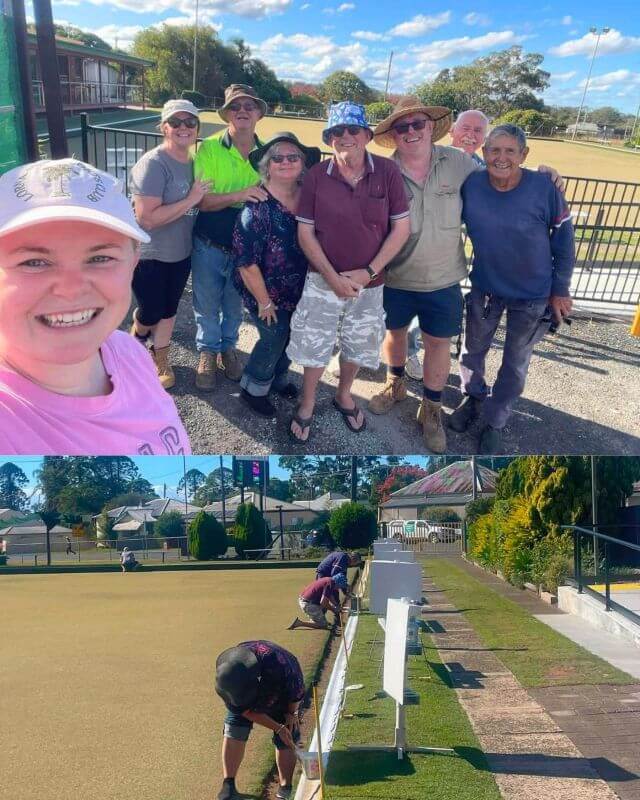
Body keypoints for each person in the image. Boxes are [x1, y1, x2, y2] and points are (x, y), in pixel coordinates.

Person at [368, 97, 564, 454]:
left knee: (439, 346)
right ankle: (394, 385)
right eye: (402, 127)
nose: (411, 132)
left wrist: (543, 172)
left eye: (418, 125)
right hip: (395, 276)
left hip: (444, 280)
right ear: (394, 135)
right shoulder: (382, 170)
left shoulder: (460, 163)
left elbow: (502, 169)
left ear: (431, 128)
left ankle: (431, 408)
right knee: (393, 335)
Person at [0, 158, 191, 455]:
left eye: (100, 258)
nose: (71, 289)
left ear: (133, 261)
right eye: (34, 262)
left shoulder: (128, 351)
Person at [287, 101, 410, 441]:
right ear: (329, 139)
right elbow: (305, 233)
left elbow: (400, 229)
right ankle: (308, 401)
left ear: (367, 135)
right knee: (315, 344)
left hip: (369, 283)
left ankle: (343, 394)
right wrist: (331, 277)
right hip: (321, 279)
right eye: (337, 131)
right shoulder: (315, 176)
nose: (345, 137)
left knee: (357, 345)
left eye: (353, 130)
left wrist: (367, 272)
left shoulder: (387, 172)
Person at [449, 124, 575, 453]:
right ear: (485, 153)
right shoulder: (472, 184)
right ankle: (472, 399)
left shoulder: (544, 187)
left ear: (524, 155)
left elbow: (564, 242)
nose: (501, 157)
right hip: (486, 287)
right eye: (494, 150)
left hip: (533, 294)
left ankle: (495, 419)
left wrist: (560, 290)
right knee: (472, 351)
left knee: (515, 363)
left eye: (510, 151)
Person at [233, 132, 320, 416]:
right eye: (277, 158)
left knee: (291, 335)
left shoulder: (309, 196)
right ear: (267, 166)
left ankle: (277, 379)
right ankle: (253, 387)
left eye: (293, 156)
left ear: (302, 163)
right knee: (274, 335)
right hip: (264, 290)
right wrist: (264, 301)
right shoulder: (257, 208)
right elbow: (246, 264)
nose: (285, 162)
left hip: (299, 288)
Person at [403, 109, 490, 382]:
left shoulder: (480, 170)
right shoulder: (428, 155)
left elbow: (512, 179)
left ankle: (412, 358)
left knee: (430, 320)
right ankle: (359, 353)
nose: (470, 135)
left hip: (443, 255)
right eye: (466, 128)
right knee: (389, 313)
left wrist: (546, 173)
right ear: (452, 130)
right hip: (404, 248)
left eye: (478, 131)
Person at [192, 84, 268, 391]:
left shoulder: (268, 154)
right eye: (236, 107)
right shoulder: (209, 148)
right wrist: (241, 195)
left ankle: (228, 348)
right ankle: (208, 352)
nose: (243, 111)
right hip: (209, 241)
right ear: (227, 115)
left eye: (249, 106)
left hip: (246, 249)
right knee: (207, 302)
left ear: (259, 113)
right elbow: (203, 202)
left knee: (234, 305)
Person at [129, 99, 209, 389]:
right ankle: (136, 336)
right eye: (176, 122)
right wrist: (191, 198)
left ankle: (160, 358)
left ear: (197, 128)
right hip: (150, 254)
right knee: (151, 311)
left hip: (181, 253)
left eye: (190, 122)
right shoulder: (153, 164)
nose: (183, 128)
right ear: (164, 127)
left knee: (169, 310)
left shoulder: (196, 163)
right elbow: (147, 219)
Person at [215, 640, 305, 800]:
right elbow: (245, 711)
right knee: (234, 726)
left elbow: (296, 692)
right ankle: (228, 785)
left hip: (280, 695)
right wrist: (278, 728)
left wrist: (291, 715)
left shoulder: (282, 666)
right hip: (251, 687)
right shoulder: (228, 677)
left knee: (288, 731)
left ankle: (285, 787)